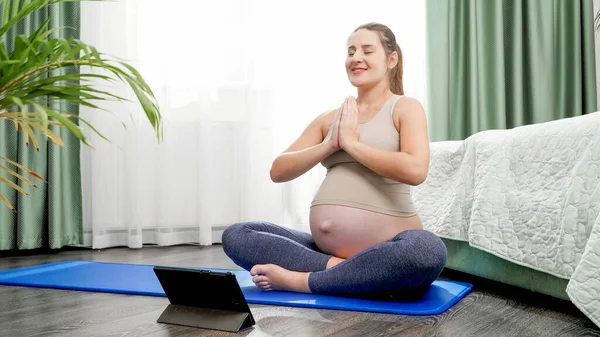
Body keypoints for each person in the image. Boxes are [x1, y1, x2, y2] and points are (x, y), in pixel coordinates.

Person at [222, 22, 447, 297]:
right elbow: (278, 170)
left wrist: (352, 144)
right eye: (351, 51)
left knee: (427, 252)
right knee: (237, 235)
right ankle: (351, 273)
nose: (356, 58)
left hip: (391, 246)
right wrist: (330, 144)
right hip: (323, 250)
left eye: (367, 50)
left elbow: (415, 170)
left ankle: (301, 281)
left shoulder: (405, 107)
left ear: (391, 59)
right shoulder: (331, 118)